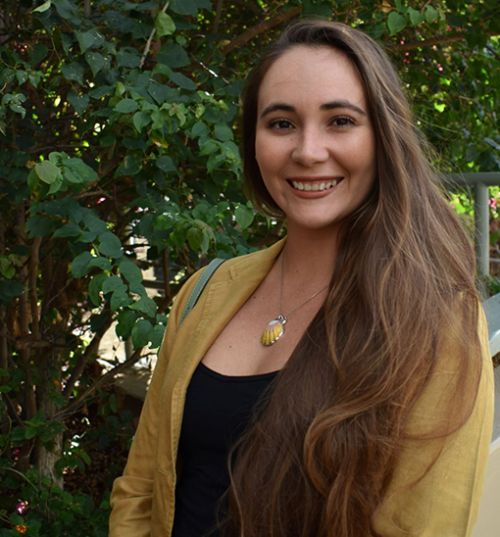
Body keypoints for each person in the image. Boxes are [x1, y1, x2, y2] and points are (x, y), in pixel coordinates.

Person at [109, 20, 494, 537]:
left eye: (339, 121)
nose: (308, 151)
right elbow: (140, 488)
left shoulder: (436, 320)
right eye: (282, 123)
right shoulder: (205, 291)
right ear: (254, 141)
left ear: (383, 137)